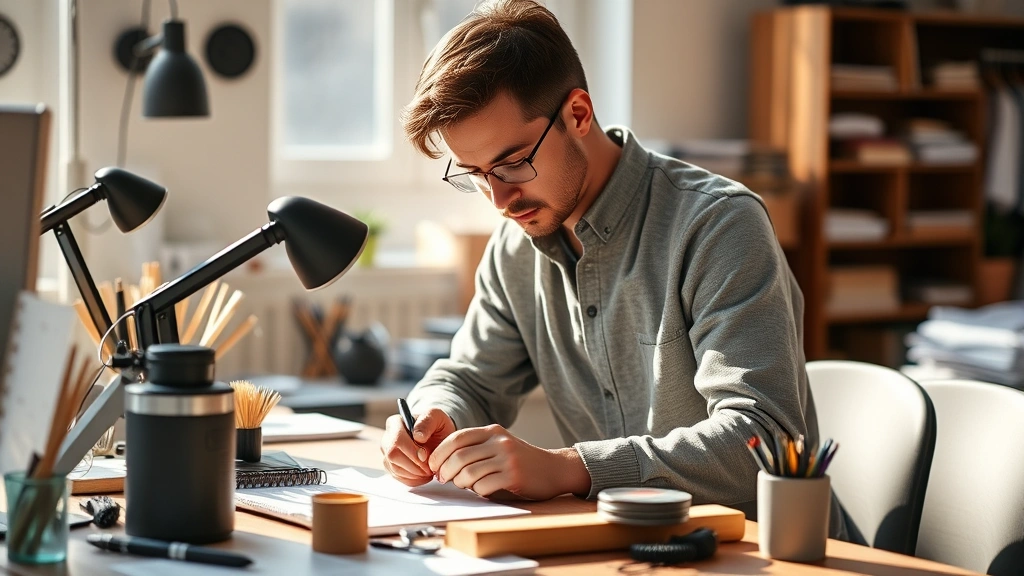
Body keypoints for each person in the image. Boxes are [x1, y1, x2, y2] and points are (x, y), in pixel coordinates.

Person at [380, 0, 845, 538]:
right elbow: (471, 377)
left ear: (578, 114)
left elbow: (762, 443)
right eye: (476, 174)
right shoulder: (515, 247)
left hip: (755, 553)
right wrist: (433, 417)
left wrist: (571, 468)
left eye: (512, 163)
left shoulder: (718, 226)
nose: (500, 198)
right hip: (622, 547)